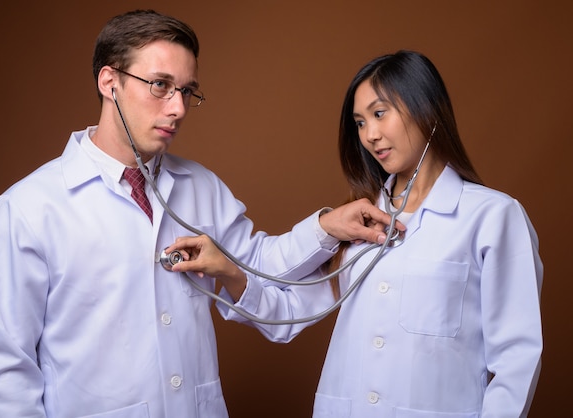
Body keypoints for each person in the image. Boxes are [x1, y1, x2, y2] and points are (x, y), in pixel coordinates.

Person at [0, 9, 400, 418]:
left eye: (186, 90)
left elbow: (259, 268)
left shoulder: (199, 186)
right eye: (160, 85)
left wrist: (325, 227)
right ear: (109, 81)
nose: (177, 108)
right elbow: (6, 369)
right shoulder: (28, 209)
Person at [168, 50, 544, 417]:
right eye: (360, 122)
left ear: (426, 110)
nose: (370, 135)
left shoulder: (492, 217)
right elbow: (287, 315)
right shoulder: (361, 221)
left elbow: (516, 359)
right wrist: (229, 272)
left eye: (380, 114)